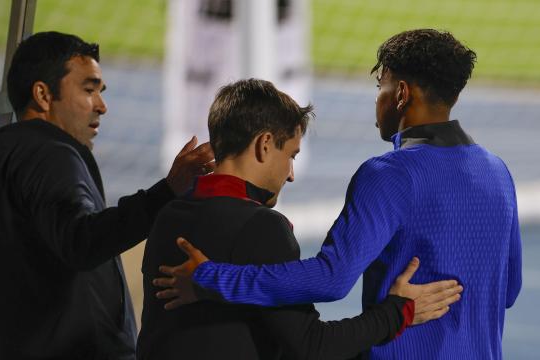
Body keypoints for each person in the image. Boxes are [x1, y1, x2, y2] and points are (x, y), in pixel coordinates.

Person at [155, 29, 522, 359]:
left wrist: (212, 278)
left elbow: (331, 279)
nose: (378, 98)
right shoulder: (498, 172)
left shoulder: (388, 175)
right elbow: (508, 290)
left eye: (382, 85)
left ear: (402, 94)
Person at [140, 79, 462, 360]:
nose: (290, 175)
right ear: (265, 145)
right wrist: (398, 311)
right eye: (291, 155)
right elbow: (313, 346)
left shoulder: (167, 215)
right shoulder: (263, 227)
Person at [0, 31, 214, 360]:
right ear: (43, 95)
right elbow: (82, 240)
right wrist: (168, 190)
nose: (102, 106)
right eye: (89, 89)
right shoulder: (49, 153)